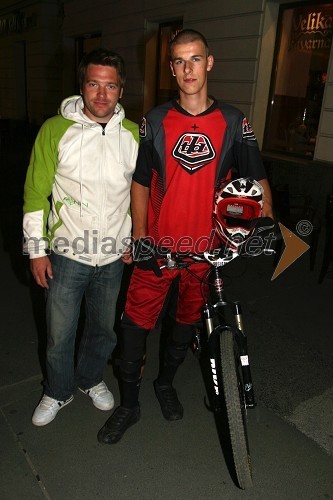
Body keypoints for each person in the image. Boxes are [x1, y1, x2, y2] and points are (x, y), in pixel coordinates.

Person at [97, 29, 273, 444]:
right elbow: (141, 183)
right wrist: (140, 237)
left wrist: (264, 230)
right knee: (134, 330)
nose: (187, 68)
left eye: (195, 59)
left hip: (207, 251)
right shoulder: (154, 121)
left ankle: (165, 384)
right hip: (159, 249)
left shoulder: (234, 122)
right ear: (171, 67)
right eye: (179, 61)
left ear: (209, 62)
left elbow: (257, 182)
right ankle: (128, 404)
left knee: (184, 326)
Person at [23, 48, 139, 426]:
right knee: (59, 333)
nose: (102, 94)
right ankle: (57, 390)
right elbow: (35, 194)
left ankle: (90, 379)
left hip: (112, 256)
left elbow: (141, 195)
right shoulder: (55, 130)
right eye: (94, 84)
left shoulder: (134, 135)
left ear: (121, 90)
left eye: (110, 85)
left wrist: (137, 237)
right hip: (66, 253)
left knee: (103, 329)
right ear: (82, 86)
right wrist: (36, 251)